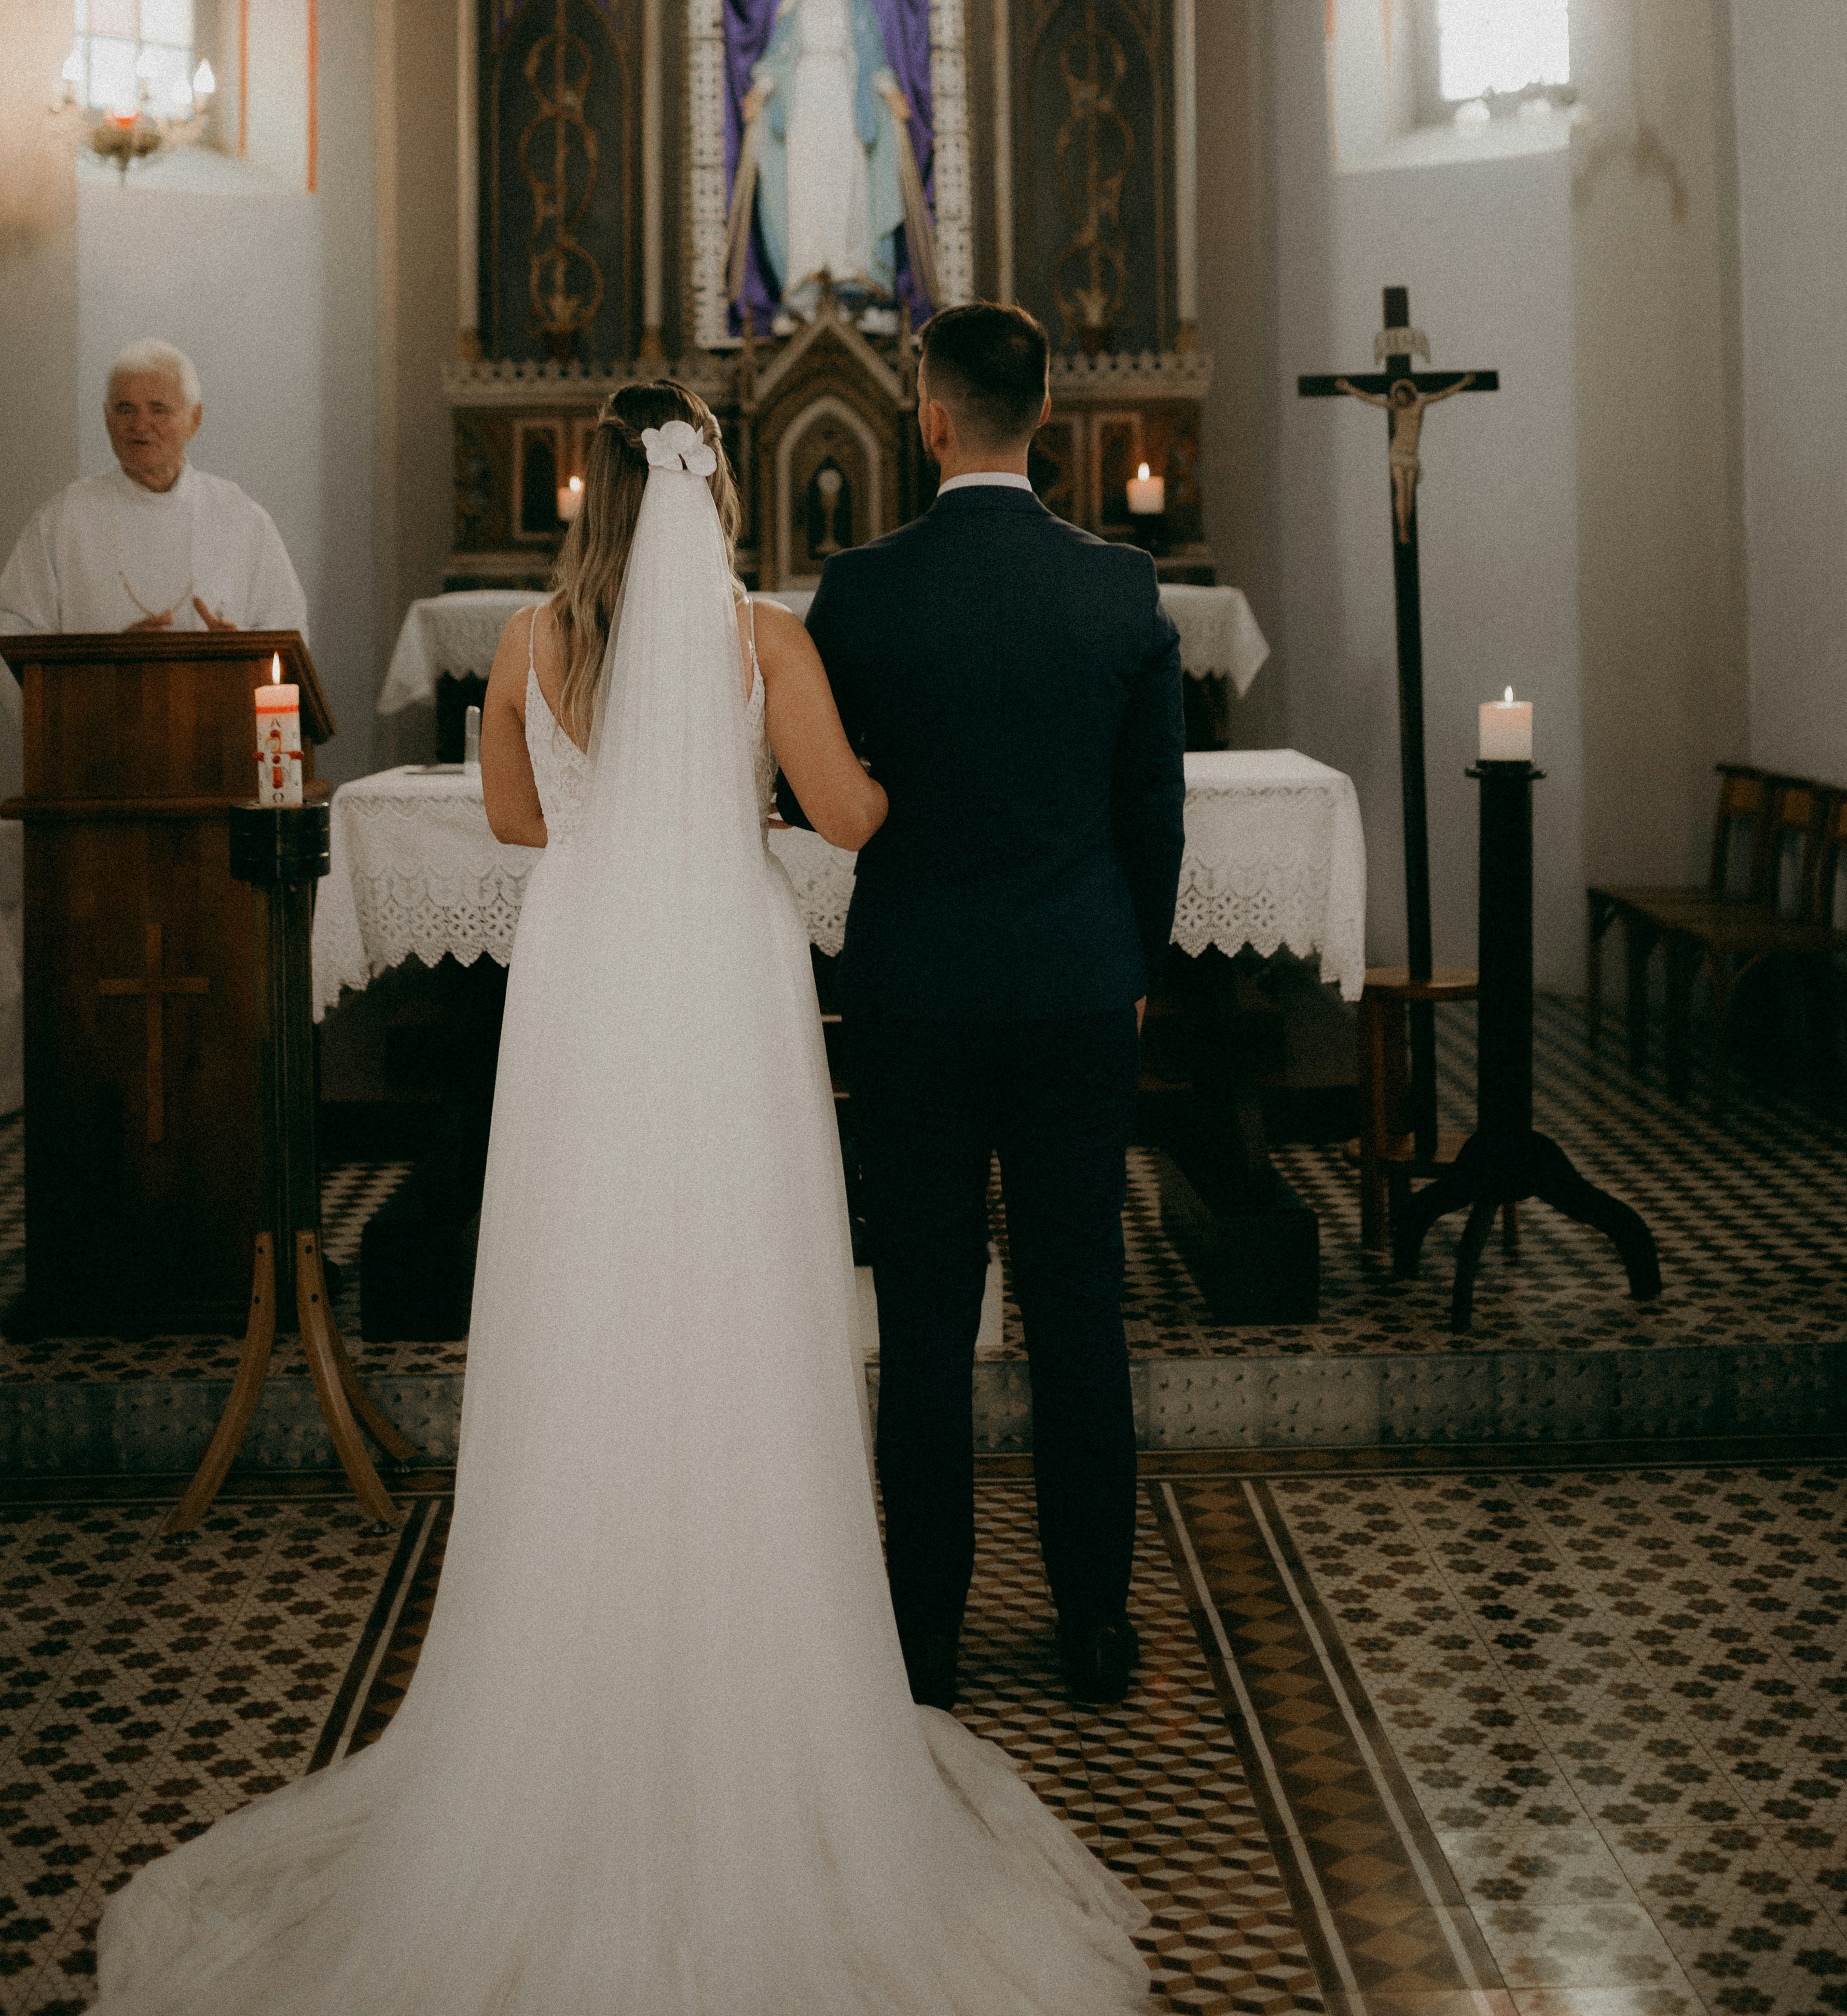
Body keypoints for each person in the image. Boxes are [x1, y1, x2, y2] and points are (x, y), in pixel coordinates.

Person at [92, 379, 1149, 2014]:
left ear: (587, 492)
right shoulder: (764, 644)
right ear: (716, 488)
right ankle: (756, 1656)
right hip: (723, 984)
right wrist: (818, 790)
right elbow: (855, 814)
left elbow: (517, 819)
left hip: (587, 986)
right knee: (741, 1300)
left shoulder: (524, 644)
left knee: (587, 1295)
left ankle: (569, 1662)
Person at [794, 303, 1185, 1712]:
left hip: (916, 999)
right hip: (1081, 990)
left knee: (926, 1310)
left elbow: (814, 792)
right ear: (1043, 417)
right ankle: (1093, 1624)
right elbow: (1155, 819)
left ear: (932, 413)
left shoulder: (863, 592)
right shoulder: (1120, 590)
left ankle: (925, 1636)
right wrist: (1128, 970)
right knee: (1081, 1306)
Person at [0, 341, 305, 701]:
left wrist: (243, 653)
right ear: (108, 419)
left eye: (158, 409)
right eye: (125, 409)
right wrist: (107, 665)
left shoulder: (241, 519)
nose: (141, 425)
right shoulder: (64, 520)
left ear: (194, 419)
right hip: (97, 737)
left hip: (218, 734)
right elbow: (12, 640)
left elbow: (289, 641)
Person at [741, 0, 911, 313]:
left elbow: (873, 58)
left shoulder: (856, 4)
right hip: (804, 101)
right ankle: (808, 270)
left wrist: (891, 94)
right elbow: (778, 57)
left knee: (847, 177)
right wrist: (759, 92)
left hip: (845, 97)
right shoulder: (795, 6)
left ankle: (849, 268)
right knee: (806, 181)